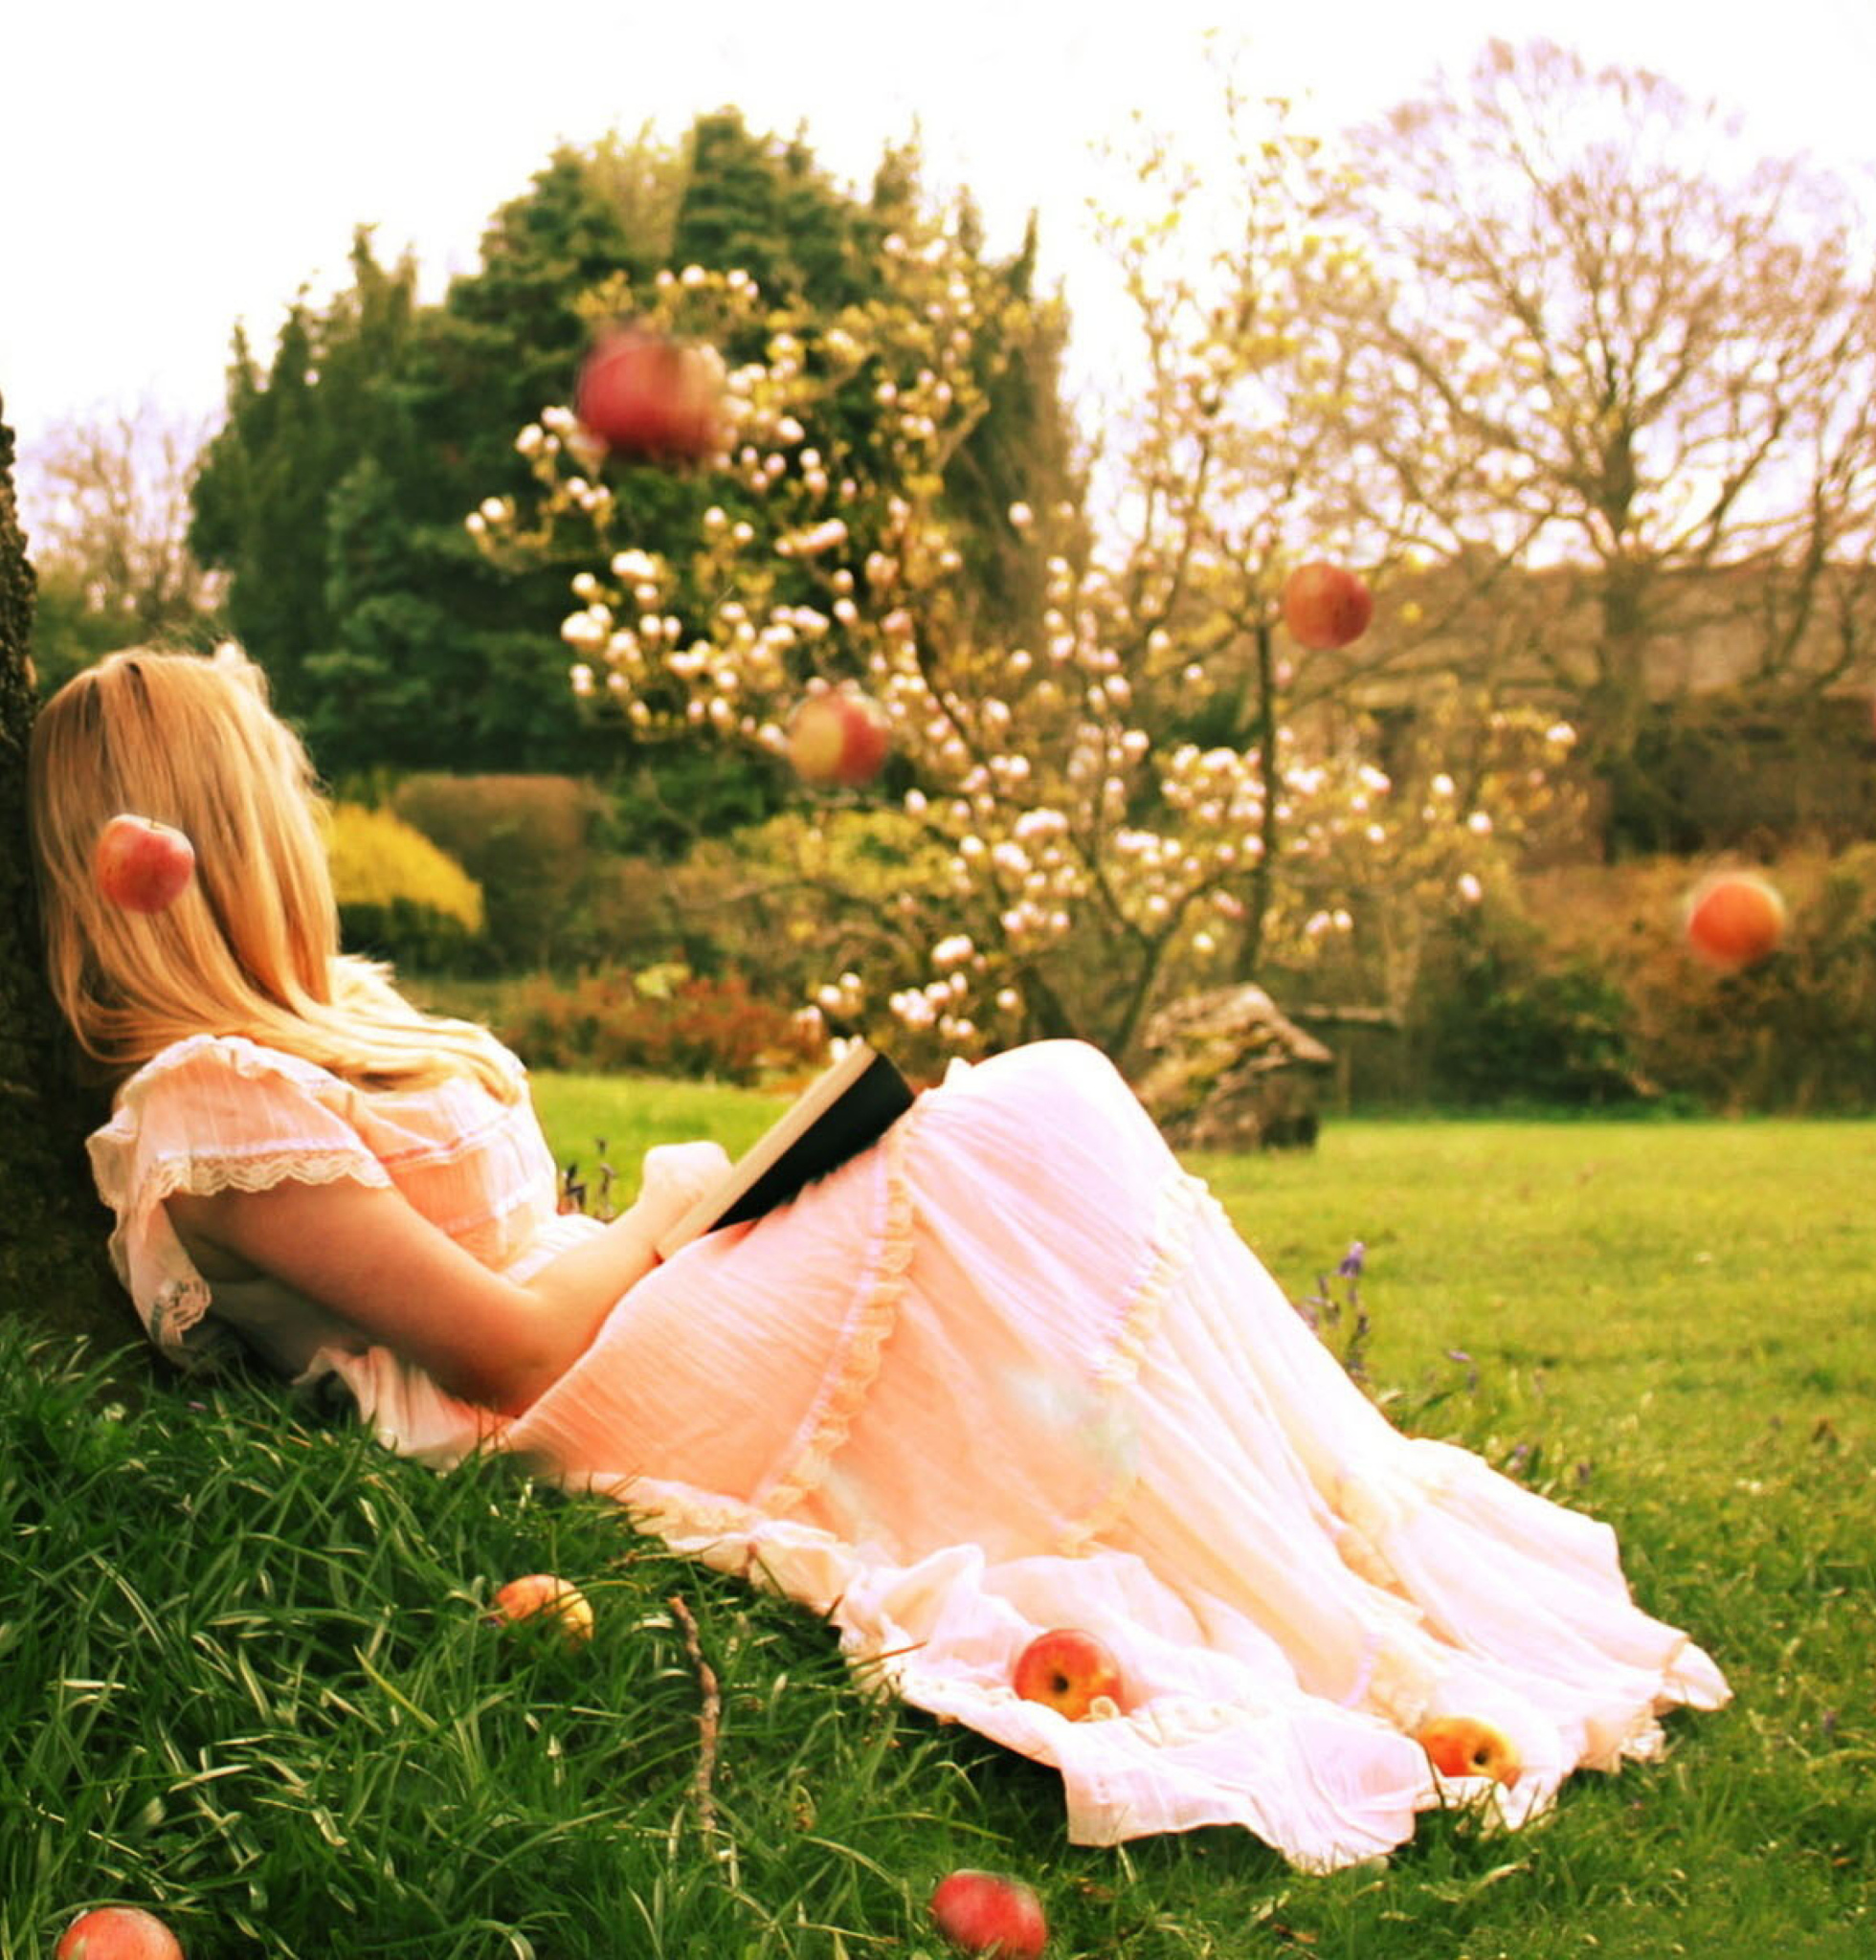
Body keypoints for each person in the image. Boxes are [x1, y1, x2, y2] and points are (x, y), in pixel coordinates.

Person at [26, 645, 1729, 1873]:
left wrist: (707, 1210)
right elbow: (503, 1355)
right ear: (215, 829)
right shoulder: (204, 1108)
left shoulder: (309, 1041)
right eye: (287, 790)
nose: (309, 818)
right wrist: (664, 1219)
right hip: (570, 1403)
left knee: (1018, 1121)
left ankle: (1338, 1560)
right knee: (1032, 1116)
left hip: (617, 1325)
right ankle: (1320, 1602)